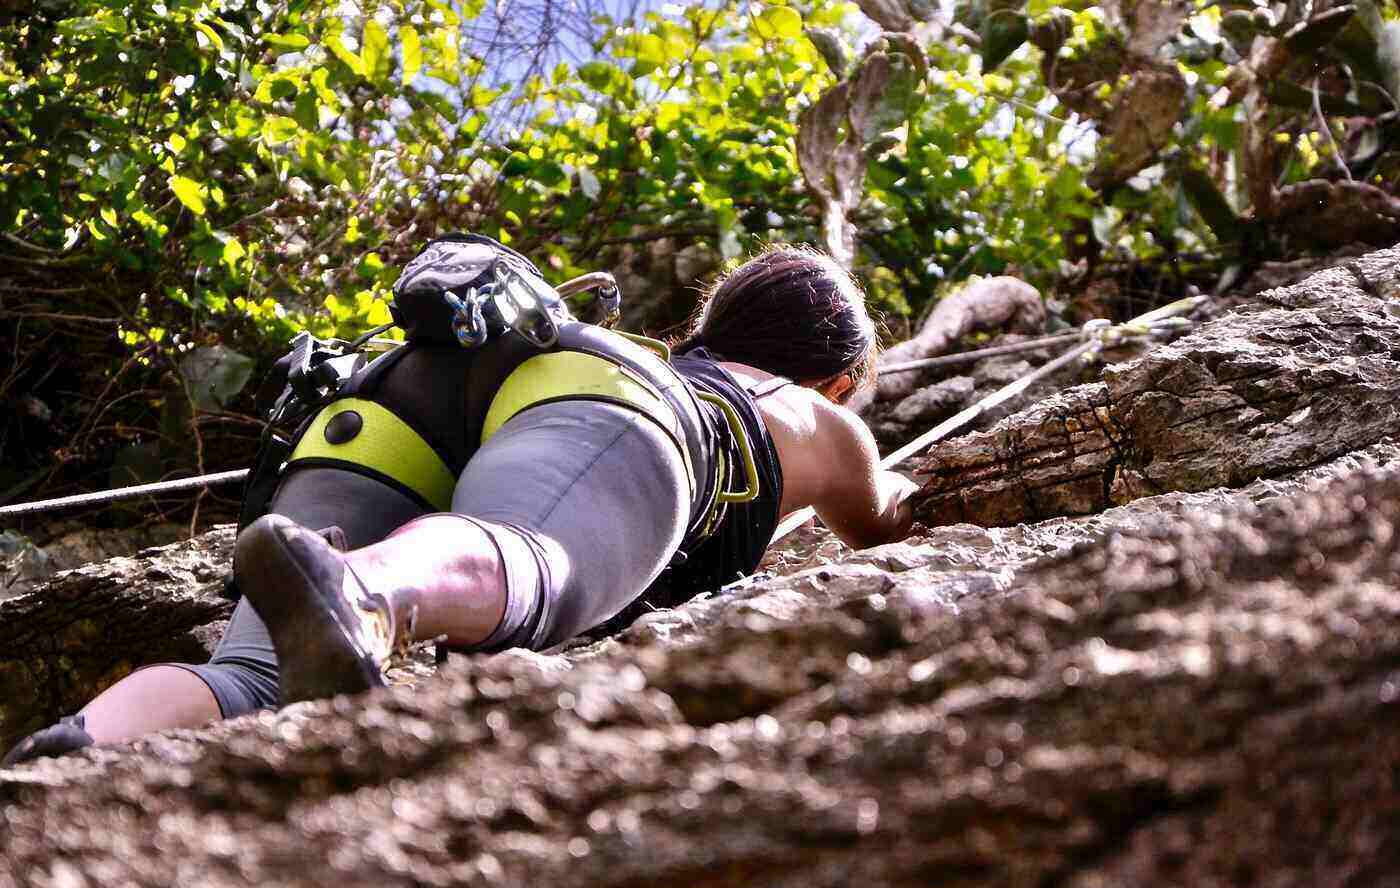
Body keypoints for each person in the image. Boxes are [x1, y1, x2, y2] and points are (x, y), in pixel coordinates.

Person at [2, 238, 917, 766]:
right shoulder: (808, 415)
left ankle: (69, 752)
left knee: (253, 679)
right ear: (837, 380)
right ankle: (365, 591)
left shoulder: (663, 356)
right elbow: (883, 518)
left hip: (390, 395)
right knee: (524, 546)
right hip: (600, 408)